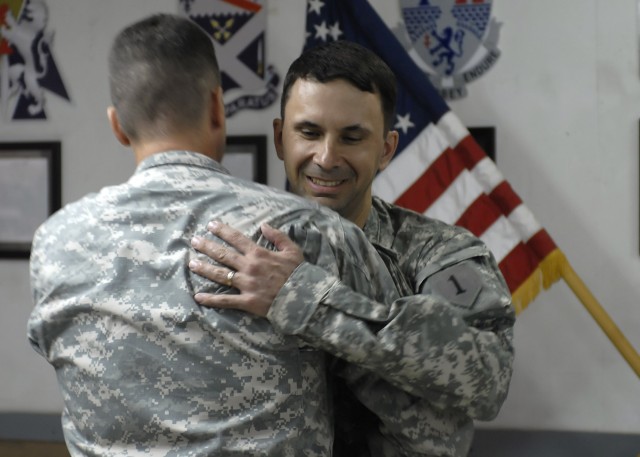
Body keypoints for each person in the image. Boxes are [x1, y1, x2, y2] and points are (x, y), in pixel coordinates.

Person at [26, 14, 416, 456]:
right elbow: (408, 390)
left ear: (117, 125)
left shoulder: (54, 242)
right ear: (217, 106)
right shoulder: (307, 230)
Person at [188, 40, 516, 456]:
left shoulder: (437, 253)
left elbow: (487, 381)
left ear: (386, 149)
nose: (326, 158)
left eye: (351, 137)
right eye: (309, 133)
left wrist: (304, 300)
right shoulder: (235, 250)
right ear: (279, 138)